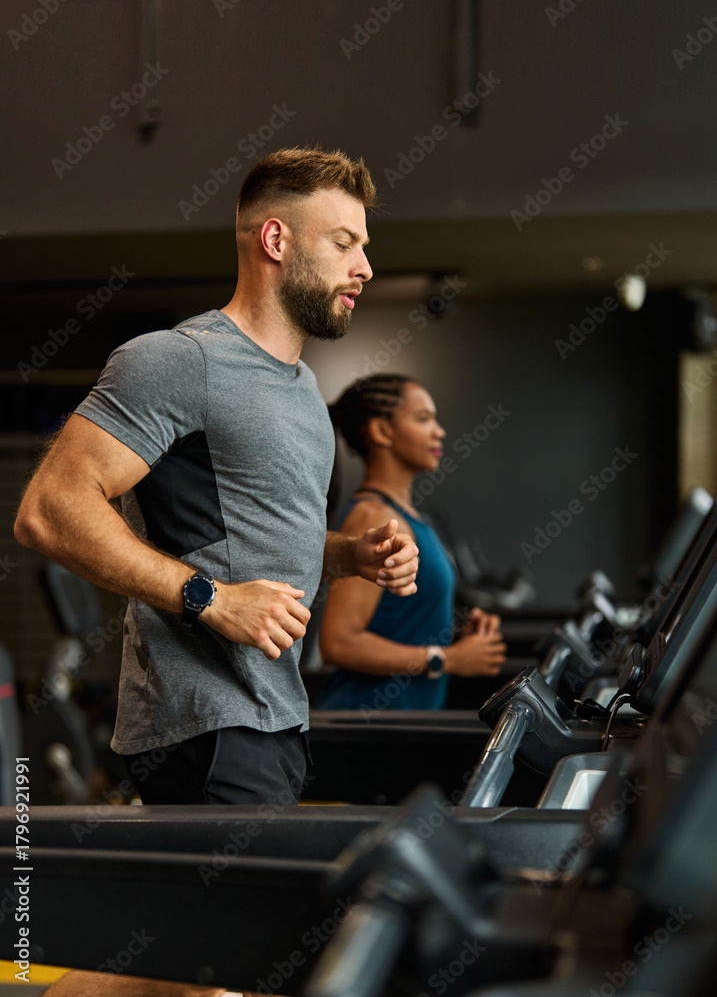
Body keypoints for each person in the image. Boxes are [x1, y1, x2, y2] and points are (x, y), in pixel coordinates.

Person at [13, 147, 420, 805]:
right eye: (344, 243)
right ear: (275, 240)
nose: (364, 268)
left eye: (364, 247)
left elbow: (249, 537)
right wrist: (213, 600)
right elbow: (49, 509)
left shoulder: (304, 389)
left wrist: (348, 555)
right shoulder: (180, 361)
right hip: (206, 726)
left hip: (275, 716)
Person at [315, 374, 507, 712]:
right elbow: (338, 643)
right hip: (366, 723)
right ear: (382, 431)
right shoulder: (374, 517)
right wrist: (445, 658)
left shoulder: (409, 516)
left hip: (405, 721)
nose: (439, 431)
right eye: (423, 418)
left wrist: (458, 636)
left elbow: (402, 625)